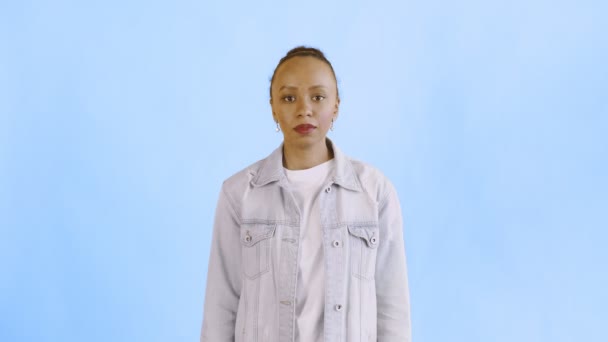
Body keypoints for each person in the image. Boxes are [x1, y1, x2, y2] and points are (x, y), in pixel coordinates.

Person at [201, 46, 411, 342]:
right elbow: (221, 308)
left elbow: (393, 310)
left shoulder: (374, 192)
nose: (304, 109)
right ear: (273, 106)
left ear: (336, 105)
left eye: (318, 97)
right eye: (289, 98)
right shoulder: (240, 194)